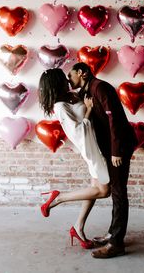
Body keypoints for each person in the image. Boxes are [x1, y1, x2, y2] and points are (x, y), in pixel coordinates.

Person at [68, 62, 137, 258]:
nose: (69, 80)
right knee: (115, 191)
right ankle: (112, 234)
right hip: (108, 148)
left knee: (118, 192)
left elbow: (115, 119)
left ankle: (117, 243)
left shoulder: (101, 87)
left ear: (81, 72)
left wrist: (116, 151)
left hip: (119, 147)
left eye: (71, 75)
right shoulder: (87, 91)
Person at [38, 68, 110, 250]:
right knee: (104, 191)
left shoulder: (71, 96)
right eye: (64, 79)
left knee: (94, 189)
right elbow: (77, 133)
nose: (67, 80)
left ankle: (78, 227)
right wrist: (89, 111)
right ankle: (59, 197)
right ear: (56, 84)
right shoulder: (60, 107)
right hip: (92, 149)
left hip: (97, 144)